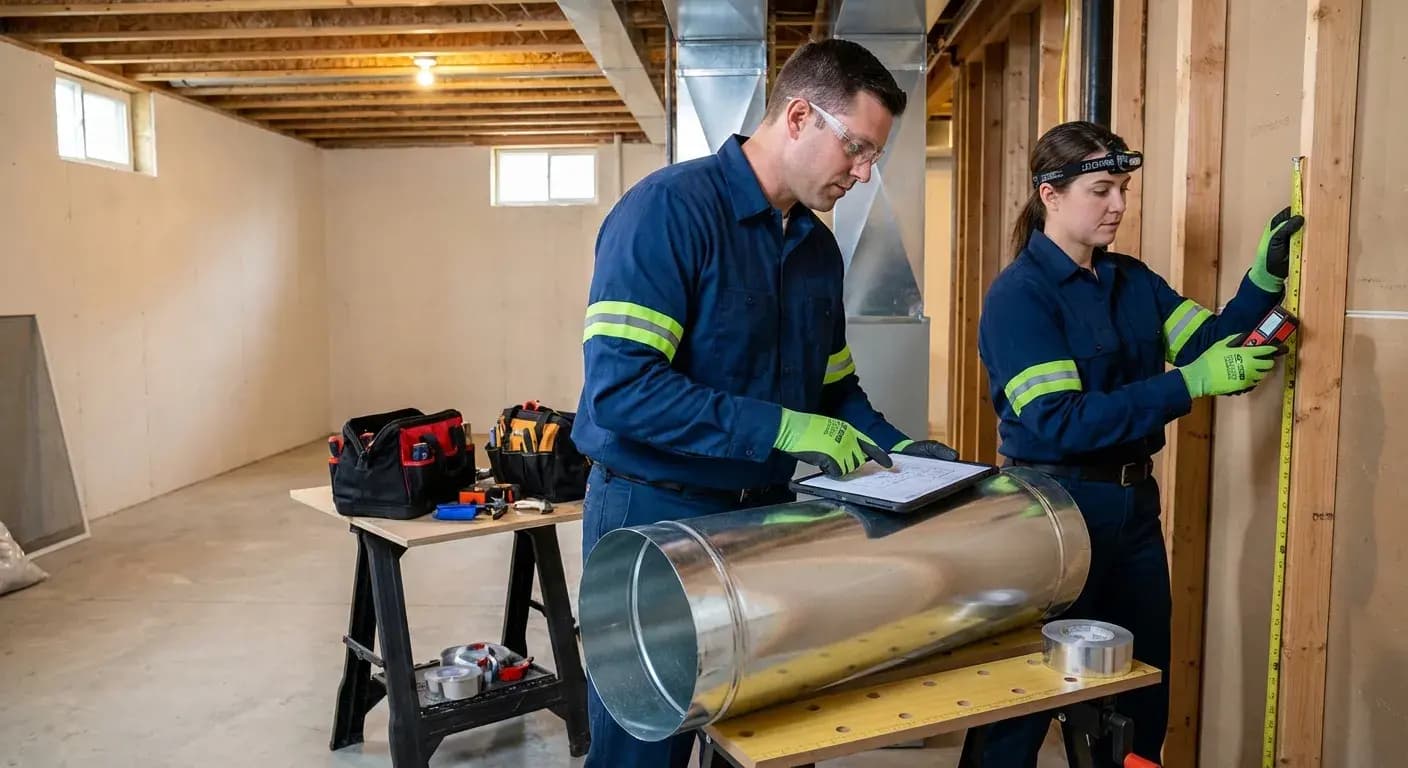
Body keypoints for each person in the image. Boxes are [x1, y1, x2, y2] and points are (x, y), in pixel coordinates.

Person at [571, 39, 957, 768]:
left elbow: (835, 393)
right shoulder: (667, 213)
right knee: (645, 747)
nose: (864, 172)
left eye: (873, 155)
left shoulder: (816, 250)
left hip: (764, 523)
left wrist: (905, 452)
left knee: (771, 742)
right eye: (857, 149)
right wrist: (781, 426)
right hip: (655, 516)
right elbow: (620, 391)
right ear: (801, 116)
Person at [972, 120, 1302, 764]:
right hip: (1051, 515)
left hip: (1132, 513)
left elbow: (1211, 348)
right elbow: (1060, 421)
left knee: (1139, 690)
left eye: (1122, 188)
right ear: (1051, 194)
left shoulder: (1131, 280)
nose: (1119, 205)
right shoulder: (1020, 298)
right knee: (1022, 702)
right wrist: (1187, 386)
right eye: (1102, 189)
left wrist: (1263, 282)